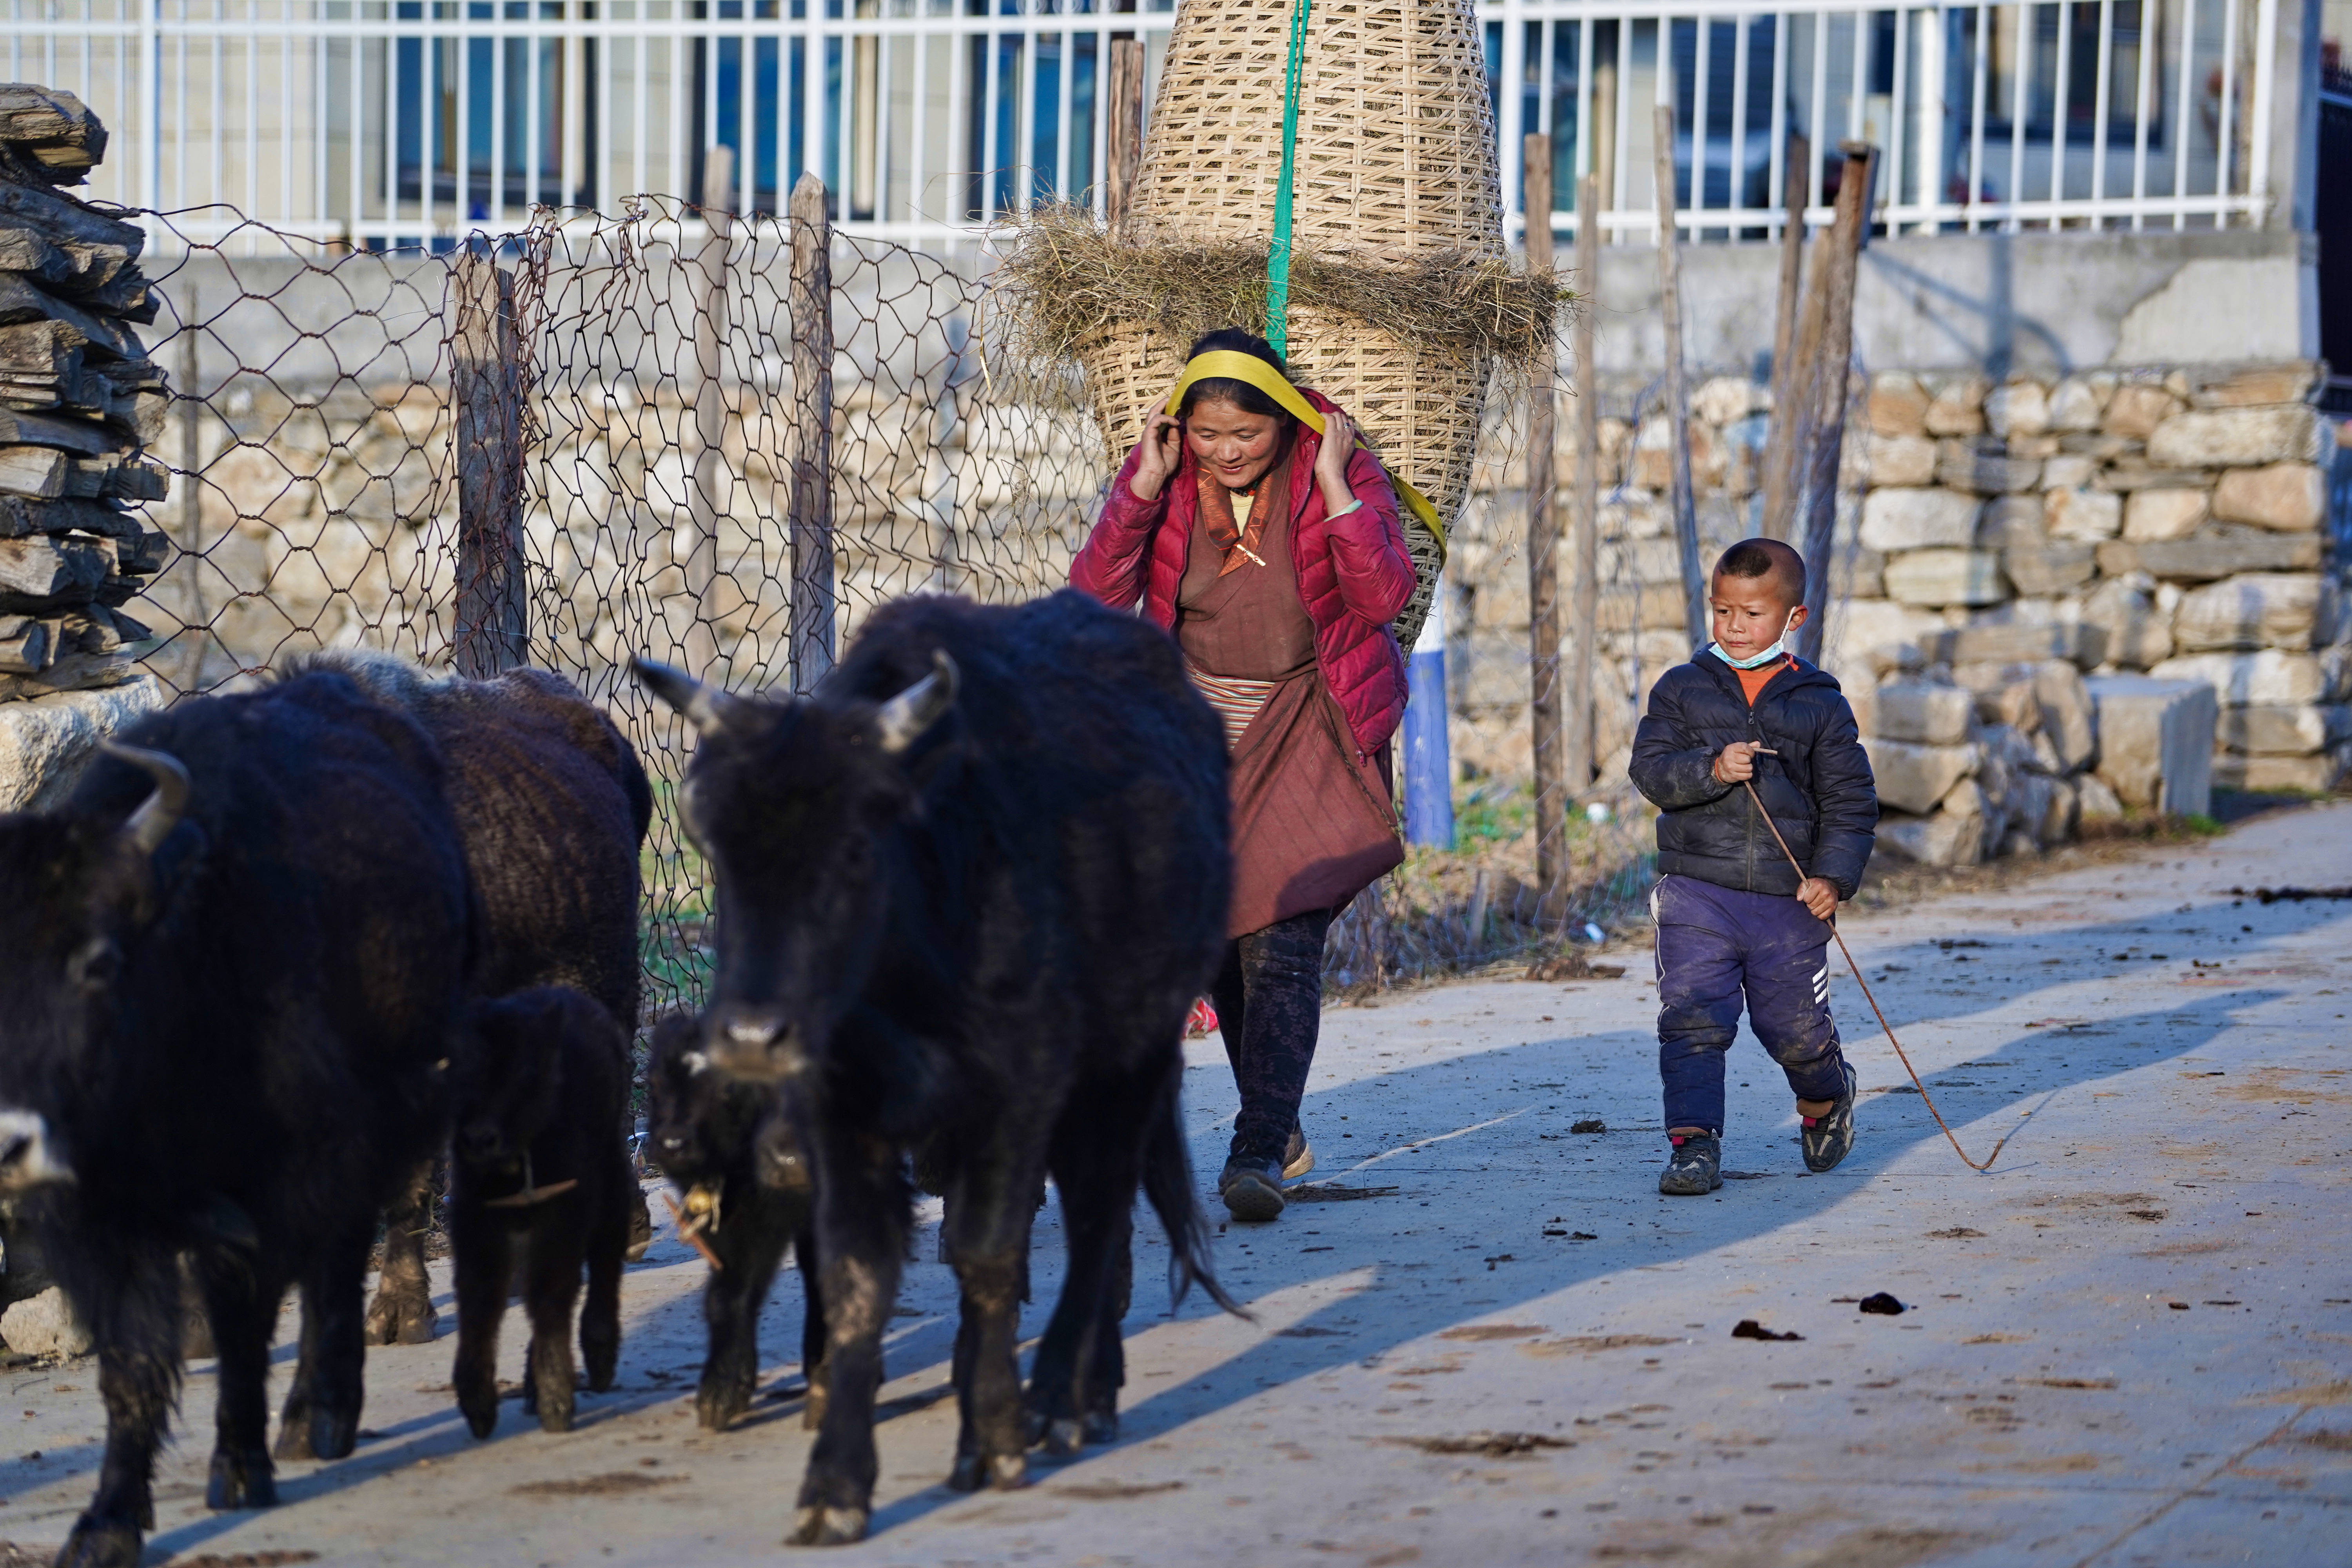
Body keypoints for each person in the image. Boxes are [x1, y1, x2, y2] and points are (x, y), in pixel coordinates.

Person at [1069, 328, 1417, 1223]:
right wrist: (1140, 488)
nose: (1227, 452)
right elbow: (1094, 603)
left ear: (1286, 423)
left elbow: (1383, 599)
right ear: (1183, 427)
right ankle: (1282, 1125)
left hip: (1306, 721)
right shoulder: (1170, 480)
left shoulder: (1331, 465)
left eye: (1247, 436)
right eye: (1209, 434)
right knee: (1222, 935)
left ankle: (1257, 1145)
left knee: (1283, 934)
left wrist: (1339, 486)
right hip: (1196, 740)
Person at [1628, 538, 1878, 1196]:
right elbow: (1650, 772)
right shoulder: (1681, 690)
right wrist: (1709, 771)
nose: (1736, 627)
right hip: (1696, 893)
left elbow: (1850, 802)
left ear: (1794, 618)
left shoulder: (1819, 702)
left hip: (1787, 901)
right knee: (1692, 1018)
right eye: (1722, 611)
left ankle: (1826, 1097)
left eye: (1753, 614)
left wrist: (1832, 878)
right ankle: (1693, 1146)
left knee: (1791, 1030)